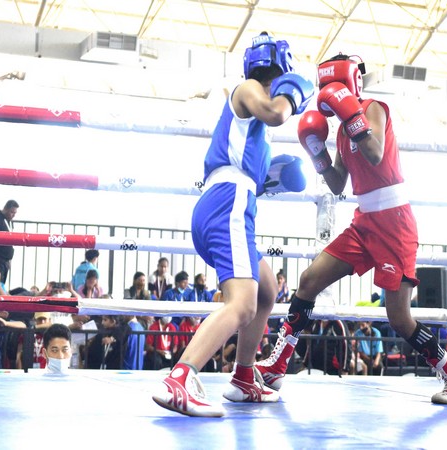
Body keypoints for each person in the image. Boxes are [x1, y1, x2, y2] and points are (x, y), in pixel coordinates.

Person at [255, 53, 447, 405]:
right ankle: (278, 364)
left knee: (399, 319)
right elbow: (339, 184)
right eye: (325, 86)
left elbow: (374, 152)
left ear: (348, 82)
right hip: (364, 222)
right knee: (309, 280)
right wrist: (316, 153)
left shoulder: (374, 108)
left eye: (332, 85)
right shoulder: (340, 129)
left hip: (395, 223)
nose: (327, 91)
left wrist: (350, 113)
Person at [152, 31, 314, 417]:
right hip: (228, 202)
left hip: (229, 202)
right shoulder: (247, 90)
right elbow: (277, 112)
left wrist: (271, 178)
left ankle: (243, 377)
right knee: (241, 304)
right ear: (284, 69)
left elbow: (253, 171)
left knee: (266, 289)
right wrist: (294, 95)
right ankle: (179, 378)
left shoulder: (250, 123)